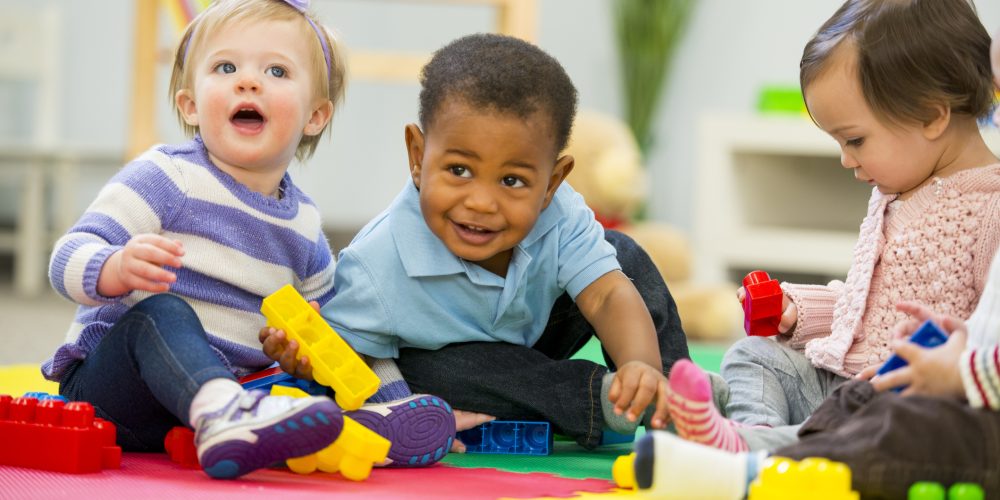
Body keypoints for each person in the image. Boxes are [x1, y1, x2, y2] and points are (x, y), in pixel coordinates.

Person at [262, 33, 690, 451]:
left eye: (512, 181)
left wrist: (641, 365)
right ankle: (604, 401)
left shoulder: (560, 213)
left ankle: (671, 393)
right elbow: (345, 359)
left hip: (540, 330)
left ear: (551, 183)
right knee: (433, 372)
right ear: (418, 156)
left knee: (622, 256)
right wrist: (303, 359)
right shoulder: (377, 266)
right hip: (477, 370)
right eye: (459, 171)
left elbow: (606, 297)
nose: (482, 203)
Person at [664, 0, 1000, 454]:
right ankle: (750, 432)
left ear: (933, 115)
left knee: (873, 429)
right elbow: (868, 307)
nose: (846, 158)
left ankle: (751, 444)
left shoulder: (988, 210)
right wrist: (798, 311)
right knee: (753, 355)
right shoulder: (895, 193)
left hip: (900, 400)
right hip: (839, 383)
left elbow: (983, 337)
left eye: (855, 139)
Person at [43, 0, 347, 479]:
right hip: (114, 396)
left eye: (276, 70)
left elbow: (338, 334)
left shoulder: (305, 227)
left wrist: (304, 354)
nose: (248, 81)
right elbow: (65, 260)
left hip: (211, 404)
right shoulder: (168, 176)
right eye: (226, 67)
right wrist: (115, 267)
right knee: (162, 313)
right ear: (190, 105)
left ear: (315, 115)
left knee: (303, 387)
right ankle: (223, 413)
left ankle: (232, 421)